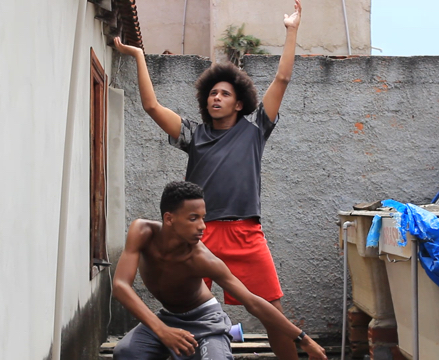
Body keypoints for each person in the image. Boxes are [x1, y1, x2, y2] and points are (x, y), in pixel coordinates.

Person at [114, 0, 303, 357]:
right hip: (201, 234)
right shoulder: (193, 135)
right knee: (184, 311)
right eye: (212, 93)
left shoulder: (255, 130)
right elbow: (153, 107)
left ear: (239, 103)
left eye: (225, 94)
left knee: (273, 313)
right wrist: (139, 56)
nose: (217, 97)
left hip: (247, 233)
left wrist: (291, 31)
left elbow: (283, 78)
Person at [113, 181, 327, 360]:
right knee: (126, 353)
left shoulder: (202, 259)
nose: (202, 226)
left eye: (203, 217)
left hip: (206, 322)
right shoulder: (142, 231)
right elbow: (121, 286)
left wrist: (304, 340)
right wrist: (162, 330)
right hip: (167, 319)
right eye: (193, 218)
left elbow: (252, 302)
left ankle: (218, 340)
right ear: (169, 219)